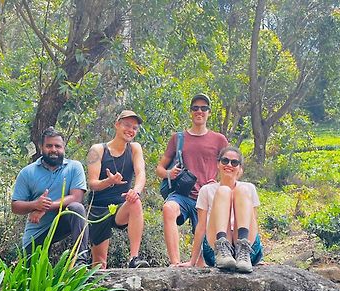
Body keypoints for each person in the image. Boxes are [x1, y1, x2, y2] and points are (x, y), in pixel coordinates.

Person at [156, 94, 228, 266]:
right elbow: (159, 168)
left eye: (204, 108)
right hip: (183, 194)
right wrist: (169, 173)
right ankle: (175, 264)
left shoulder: (219, 140)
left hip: (207, 198)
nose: (199, 111)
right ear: (190, 112)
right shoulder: (178, 138)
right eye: (195, 108)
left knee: (202, 263)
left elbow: (230, 166)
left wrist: (219, 184)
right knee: (168, 209)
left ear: (209, 112)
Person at [180, 146, 263, 273]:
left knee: (242, 190)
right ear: (218, 164)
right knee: (223, 191)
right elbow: (201, 226)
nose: (229, 165)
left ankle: (243, 250)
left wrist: (258, 255)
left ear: (240, 168)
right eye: (225, 161)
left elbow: (253, 221)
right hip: (216, 249)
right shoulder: (207, 190)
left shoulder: (249, 188)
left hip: (247, 249)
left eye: (234, 162)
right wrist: (193, 261)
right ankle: (223, 248)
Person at [11, 127, 89, 263]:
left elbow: (77, 197)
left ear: (64, 148)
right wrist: (35, 204)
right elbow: (15, 206)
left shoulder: (74, 167)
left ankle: (80, 262)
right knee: (33, 277)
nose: (53, 149)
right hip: (37, 231)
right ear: (41, 147)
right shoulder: (27, 172)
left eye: (58, 146)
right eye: (49, 146)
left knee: (77, 208)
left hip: (61, 222)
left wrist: (45, 207)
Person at [86, 110, 149, 269]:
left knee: (136, 201)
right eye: (127, 125)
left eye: (134, 128)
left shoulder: (135, 148)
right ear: (117, 125)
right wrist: (109, 181)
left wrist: (136, 191)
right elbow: (92, 183)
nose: (131, 130)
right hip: (98, 209)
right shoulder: (97, 150)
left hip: (121, 206)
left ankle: (134, 258)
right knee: (99, 264)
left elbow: (141, 173)